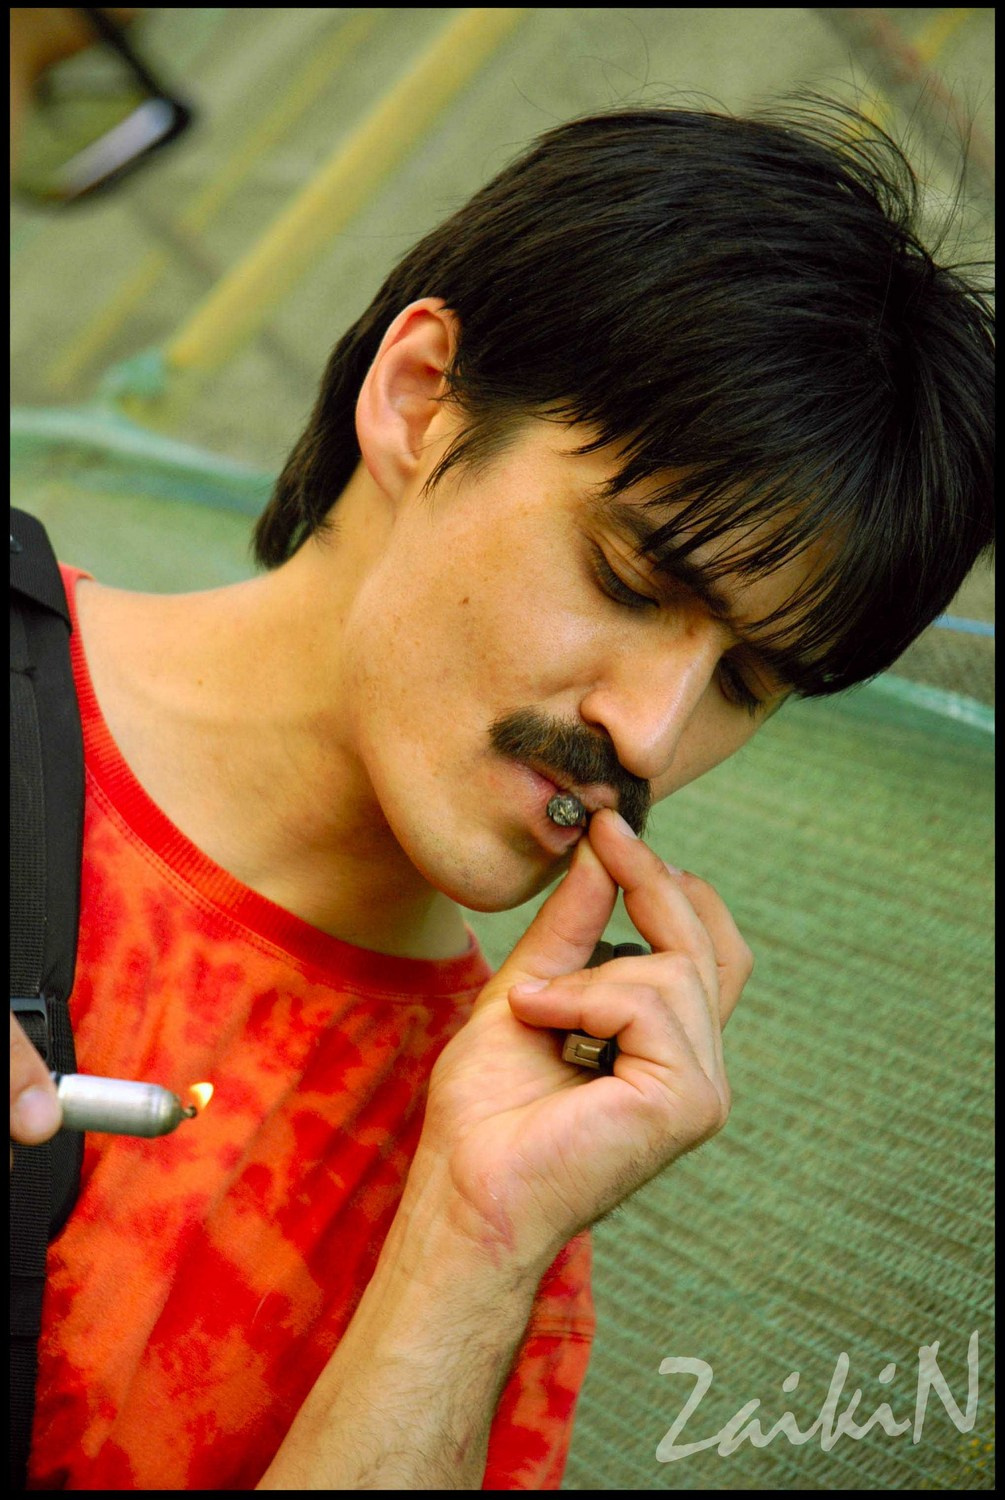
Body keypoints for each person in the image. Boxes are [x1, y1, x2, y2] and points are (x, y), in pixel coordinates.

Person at [10, 11, 995, 1491]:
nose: (649, 733)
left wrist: (469, 1245)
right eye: (629, 577)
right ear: (419, 398)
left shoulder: (492, 1166)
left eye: (746, 681)